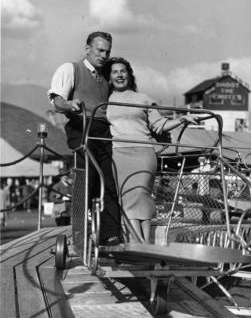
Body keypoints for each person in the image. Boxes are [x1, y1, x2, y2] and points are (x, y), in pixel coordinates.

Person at [105, 57, 198, 243]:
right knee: (126, 196)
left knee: (141, 194)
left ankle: (143, 243)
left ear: (129, 75)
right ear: (109, 77)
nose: (119, 75)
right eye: (115, 72)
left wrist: (181, 120)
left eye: (123, 71)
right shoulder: (104, 100)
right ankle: (140, 242)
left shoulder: (143, 98)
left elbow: (159, 124)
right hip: (119, 154)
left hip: (143, 153)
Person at [47, 31, 121, 245]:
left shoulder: (105, 77)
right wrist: (69, 104)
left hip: (103, 131)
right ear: (87, 49)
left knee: (108, 181)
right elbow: (56, 100)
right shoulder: (71, 69)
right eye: (100, 50)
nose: (103, 55)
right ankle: (80, 234)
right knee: (86, 178)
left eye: (107, 51)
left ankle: (110, 235)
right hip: (81, 126)